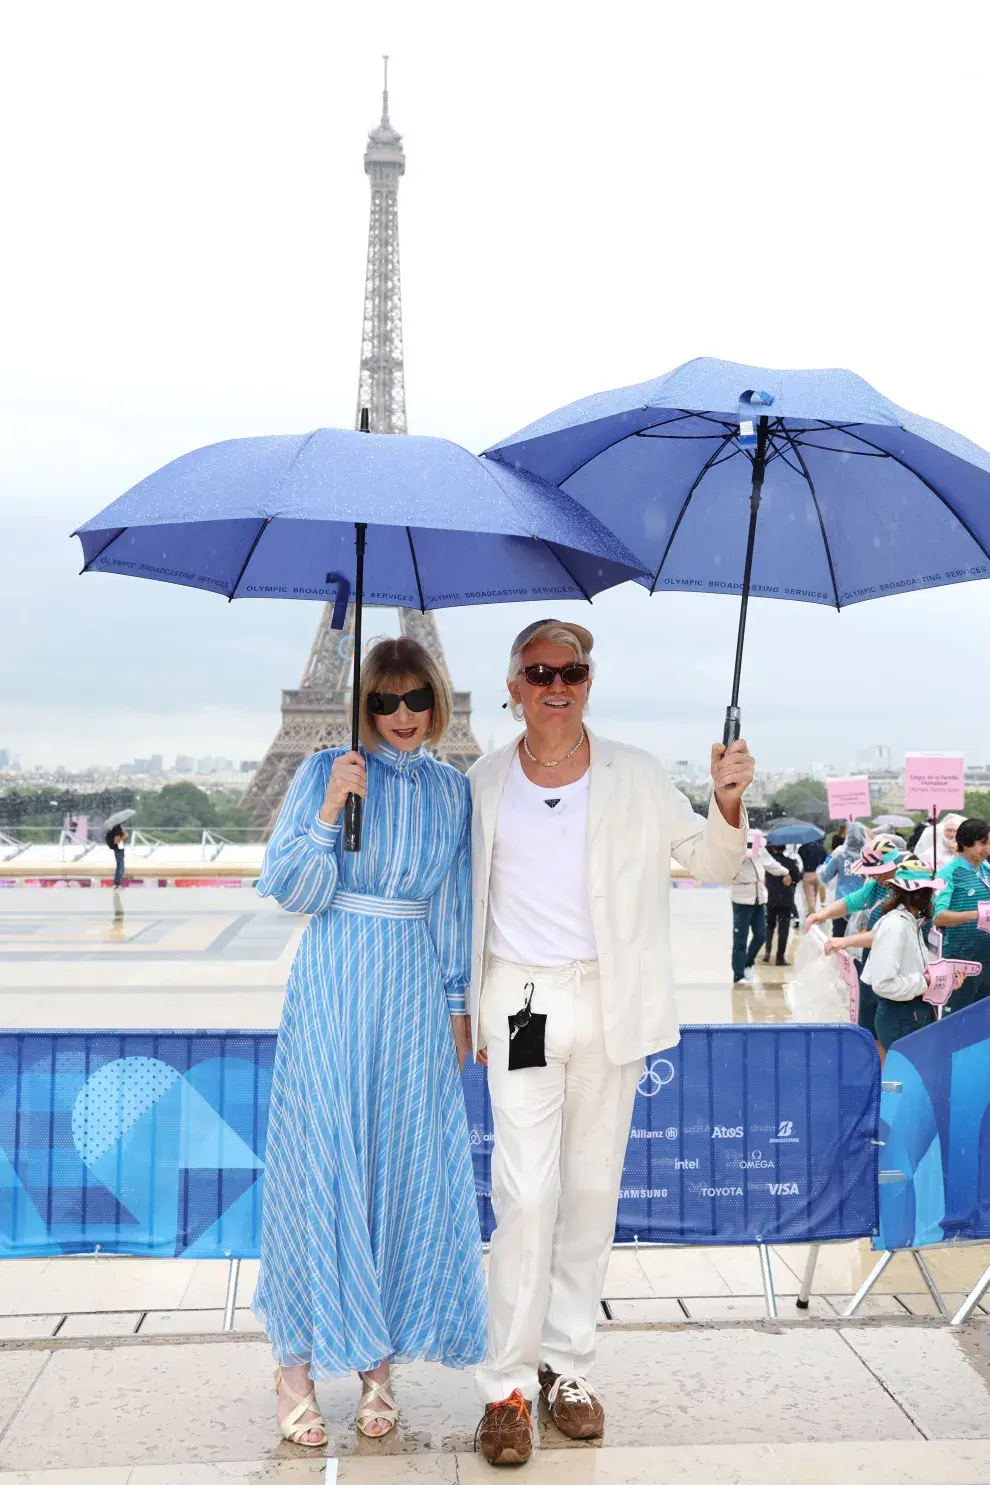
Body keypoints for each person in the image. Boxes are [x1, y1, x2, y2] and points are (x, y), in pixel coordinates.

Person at [467, 619, 752, 1467]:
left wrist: (727, 799)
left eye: (574, 670)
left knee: (591, 1191)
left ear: (589, 682)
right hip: (520, 1001)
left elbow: (707, 863)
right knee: (524, 1194)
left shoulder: (636, 773)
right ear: (513, 684)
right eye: (541, 670)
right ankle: (506, 1388)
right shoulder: (480, 781)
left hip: (611, 1001)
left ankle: (569, 1367)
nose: (559, 683)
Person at [253, 636, 487, 1447]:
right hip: (333, 984)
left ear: (438, 701)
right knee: (320, 1164)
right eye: (383, 701)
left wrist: (459, 1004)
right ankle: (295, 1365)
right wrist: (326, 812)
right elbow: (290, 887)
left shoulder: (455, 790)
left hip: (414, 992)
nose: (401, 715)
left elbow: (455, 903)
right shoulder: (326, 770)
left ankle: (377, 1367)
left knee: (395, 1166)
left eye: (416, 698)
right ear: (362, 706)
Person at [862, 858, 969, 1051]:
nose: (933, 898)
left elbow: (916, 969)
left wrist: (943, 978)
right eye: (930, 893)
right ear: (919, 894)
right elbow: (883, 984)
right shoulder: (896, 926)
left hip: (914, 1011)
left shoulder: (912, 922)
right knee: (908, 1078)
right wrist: (927, 981)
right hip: (900, 1016)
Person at [809, 843, 903, 1048]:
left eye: (879, 872)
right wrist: (821, 914)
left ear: (895, 863)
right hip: (872, 959)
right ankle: (877, 1071)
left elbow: (888, 934)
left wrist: (844, 941)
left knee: (889, 1026)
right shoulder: (876, 885)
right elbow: (851, 901)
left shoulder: (908, 890)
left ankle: (890, 1073)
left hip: (897, 964)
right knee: (869, 1025)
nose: (875, 877)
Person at [932, 817, 990, 1012]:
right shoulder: (948, 873)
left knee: (983, 1023)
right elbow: (938, 916)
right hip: (961, 963)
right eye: (983, 843)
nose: (987, 848)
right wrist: (977, 915)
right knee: (957, 1021)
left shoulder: (986, 869)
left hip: (987, 960)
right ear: (965, 843)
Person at [730, 835, 789, 983]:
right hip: (741, 899)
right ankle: (738, 974)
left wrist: (785, 871)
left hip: (759, 898)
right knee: (740, 938)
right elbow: (725, 869)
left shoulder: (758, 845)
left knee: (761, 935)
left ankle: (747, 964)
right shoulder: (731, 848)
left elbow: (770, 864)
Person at [818, 822, 871, 938]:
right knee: (858, 942)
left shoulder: (840, 856)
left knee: (838, 941)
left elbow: (825, 876)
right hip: (862, 905)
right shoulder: (869, 857)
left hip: (841, 905)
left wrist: (828, 861)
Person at [764, 843, 797, 966]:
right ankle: (780, 957)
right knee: (783, 929)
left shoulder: (769, 863)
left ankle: (767, 953)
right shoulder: (790, 862)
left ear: (773, 847)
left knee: (769, 925)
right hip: (786, 900)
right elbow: (797, 878)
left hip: (770, 898)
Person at [797, 836, 827, 919]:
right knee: (816, 895)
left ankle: (812, 916)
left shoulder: (802, 849)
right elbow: (826, 859)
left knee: (810, 897)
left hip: (807, 874)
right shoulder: (821, 848)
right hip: (819, 874)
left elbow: (799, 860)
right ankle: (820, 915)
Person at [104, 821, 127, 889]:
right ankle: (117, 884)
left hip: (119, 849)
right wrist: (124, 836)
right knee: (120, 868)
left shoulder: (115, 828)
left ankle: (117, 883)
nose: (123, 823)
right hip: (119, 849)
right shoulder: (117, 828)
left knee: (121, 868)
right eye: (123, 822)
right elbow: (117, 840)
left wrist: (123, 835)